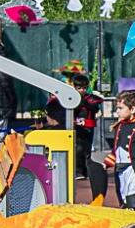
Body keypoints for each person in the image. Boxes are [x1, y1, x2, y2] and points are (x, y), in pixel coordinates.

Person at [44, 65, 109, 203]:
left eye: (84, 88)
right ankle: (76, 170)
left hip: (87, 129)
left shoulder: (90, 98)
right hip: (73, 129)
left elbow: (95, 105)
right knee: (76, 148)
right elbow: (55, 106)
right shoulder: (66, 97)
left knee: (85, 151)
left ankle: (82, 171)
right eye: (79, 88)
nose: (81, 90)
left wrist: (81, 101)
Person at [105, 91, 135, 224]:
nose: (117, 111)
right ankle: (130, 221)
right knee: (124, 195)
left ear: (132, 109)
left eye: (120, 108)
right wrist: (108, 163)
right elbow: (117, 148)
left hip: (134, 168)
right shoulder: (120, 126)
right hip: (121, 169)